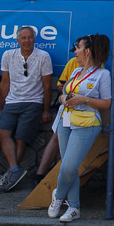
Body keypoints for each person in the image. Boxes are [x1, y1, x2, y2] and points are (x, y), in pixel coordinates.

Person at [47, 34, 111, 223]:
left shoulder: (102, 74)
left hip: (87, 123)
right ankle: (74, 207)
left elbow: (107, 103)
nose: (75, 51)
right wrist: (64, 99)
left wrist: (84, 99)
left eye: (78, 47)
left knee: (68, 167)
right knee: (70, 167)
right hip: (65, 120)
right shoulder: (75, 72)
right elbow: (64, 92)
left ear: (87, 51)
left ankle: (58, 195)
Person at [0, 26, 53, 192]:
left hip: (33, 102)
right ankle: (13, 168)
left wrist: (46, 110)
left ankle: (8, 176)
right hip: (12, 101)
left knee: (21, 138)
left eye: (30, 38)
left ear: (34, 39)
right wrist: (1, 108)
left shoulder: (43, 56)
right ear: (18, 40)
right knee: (2, 131)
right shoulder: (8, 55)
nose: (27, 41)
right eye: (23, 38)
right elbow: (4, 83)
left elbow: (47, 86)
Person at [32, 45, 86, 187]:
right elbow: (61, 85)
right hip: (67, 109)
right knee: (57, 138)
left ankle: (66, 179)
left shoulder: (99, 70)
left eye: (78, 49)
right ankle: (40, 175)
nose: (75, 53)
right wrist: (66, 94)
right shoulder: (72, 65)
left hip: (85, 115)